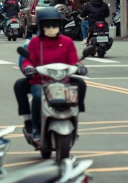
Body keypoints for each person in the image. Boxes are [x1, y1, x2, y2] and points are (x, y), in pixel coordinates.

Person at [15, 9, 87, 140]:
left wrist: (79, 67)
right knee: (36, 95)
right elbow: (27, 60)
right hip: (40, 81)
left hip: (63, 80)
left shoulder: (67, 42)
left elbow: (73, 61)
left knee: (81, 84)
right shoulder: (35, 42)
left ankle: (74, 120)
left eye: (54, 25)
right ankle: (35, 127)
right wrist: (28, 68)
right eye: (47, 25)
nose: (51, 28)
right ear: (41, 26)